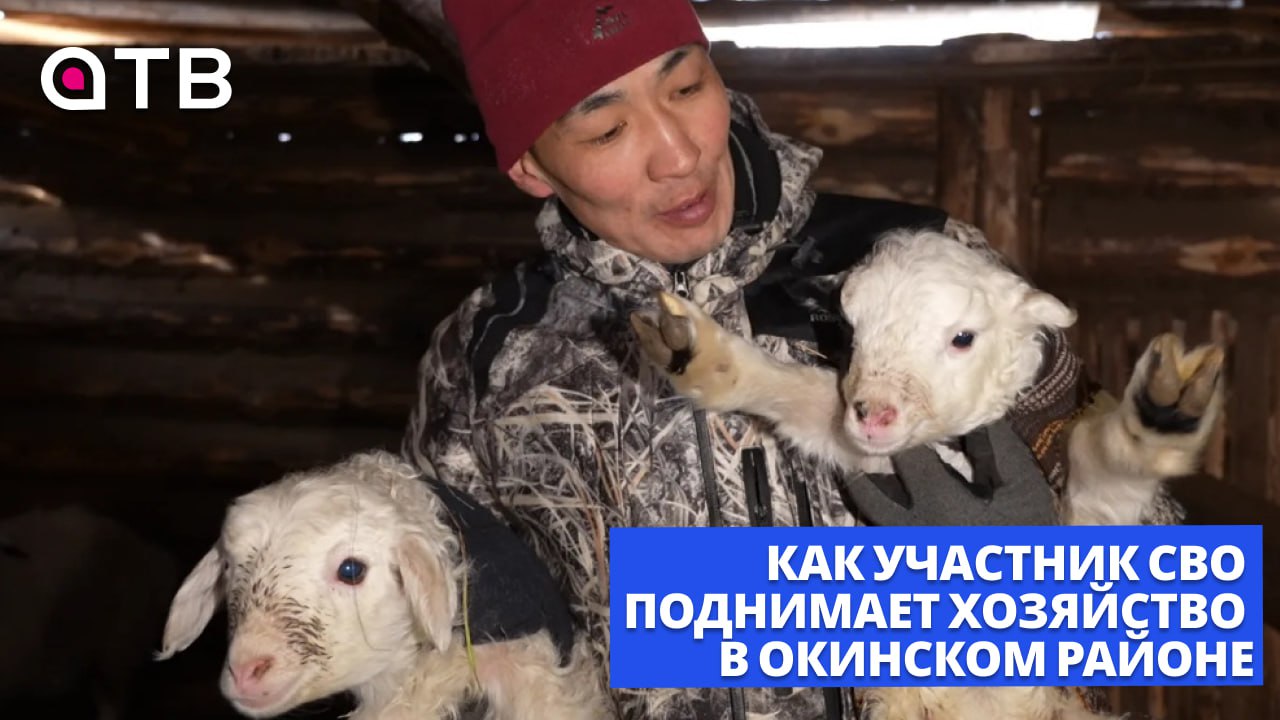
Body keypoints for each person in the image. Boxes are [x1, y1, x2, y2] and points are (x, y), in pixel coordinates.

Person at [401, 1, 1086, 718]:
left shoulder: (922, 266)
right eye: (607, 130)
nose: (680, 155)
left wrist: (1035, 587)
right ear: (530, 165)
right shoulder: (488, 357)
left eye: (687, 87)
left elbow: (1150, 582)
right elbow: (437, 655)